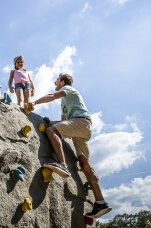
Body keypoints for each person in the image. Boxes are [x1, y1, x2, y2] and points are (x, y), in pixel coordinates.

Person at [26, 73, 112, 219]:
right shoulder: (65, 103)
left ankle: (62, 165)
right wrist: (49, 121)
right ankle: (100, 202)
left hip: (80, 122)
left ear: (63, 82)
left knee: (51, 131)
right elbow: (62, 121)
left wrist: (34, 103)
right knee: (85, 164)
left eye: (57, 80)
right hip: (82, 128)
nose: (55, 82)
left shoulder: (68, 89)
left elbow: (52, 96)